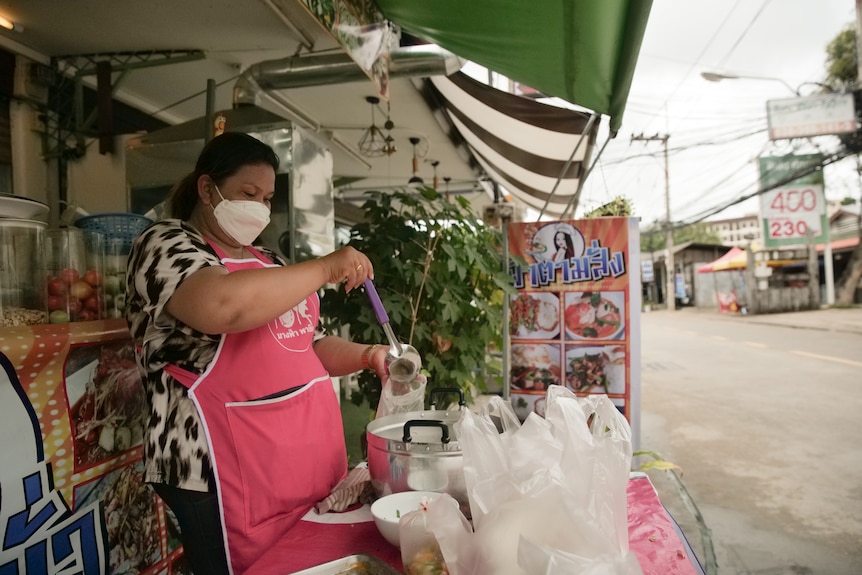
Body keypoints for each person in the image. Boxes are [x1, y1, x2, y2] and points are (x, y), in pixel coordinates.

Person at [125, 132, 389, 575]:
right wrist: (325, 267)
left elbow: (309, 344)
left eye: (267, 198)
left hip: (290, 459)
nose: (260, 208)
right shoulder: (164, 244)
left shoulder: (266, 259)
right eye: (248, 194)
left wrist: (368, 355)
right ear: (207, 189)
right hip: (212, 468)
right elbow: (223, 307)